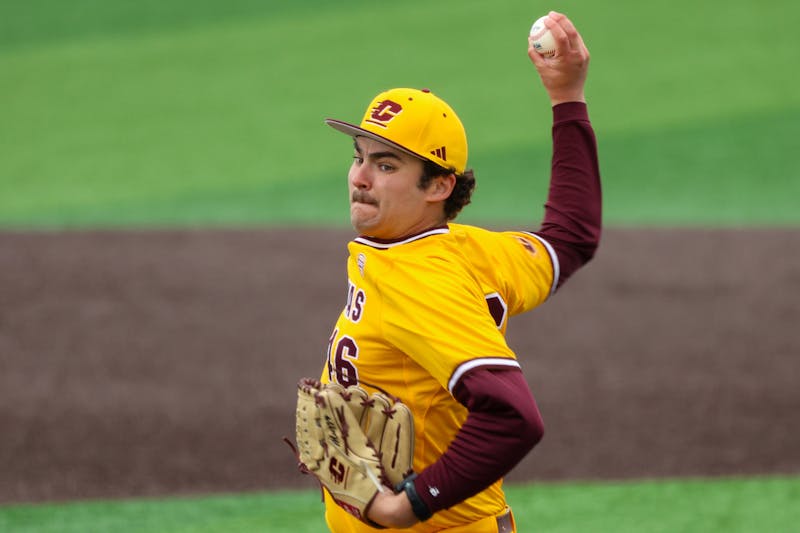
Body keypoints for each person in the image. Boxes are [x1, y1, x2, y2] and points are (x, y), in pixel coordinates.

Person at [319, 11, 600, 532]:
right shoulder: (471, 249)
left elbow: (513, 416)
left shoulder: (420, 278)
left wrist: (409, 504)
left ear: (438, 186)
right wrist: (568, 98)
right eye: (359, 157)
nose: (360, 178)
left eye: (386, 166)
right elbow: (570, 237)